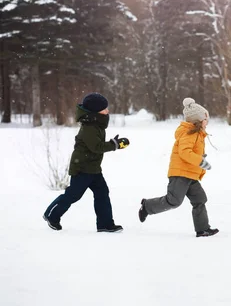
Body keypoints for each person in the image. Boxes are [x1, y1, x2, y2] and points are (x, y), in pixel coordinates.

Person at [43, 92, 130, 233]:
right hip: (83, 169)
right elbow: (96, 147)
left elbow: (97, 145)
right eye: (104, 108)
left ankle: (105, 224)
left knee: (102, 193)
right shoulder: (89, 127)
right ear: (96, 111)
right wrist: (115, 145)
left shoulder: (95, 124)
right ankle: (51, 215)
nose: (107, 111)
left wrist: (114, 144)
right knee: (73, 195)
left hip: (93, 168)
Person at [138, 98, 218, 237]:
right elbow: (185, 152)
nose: (207, 122)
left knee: (200, 199)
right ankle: (147, 206)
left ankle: (202, 229)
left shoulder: (198, 134)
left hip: (191, 174)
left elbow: (192, 152)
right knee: (173, 201)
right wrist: (200, 161)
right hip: (180, 174)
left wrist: (199, 158)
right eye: (206, 119)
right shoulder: (189, 133)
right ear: (197, 121)